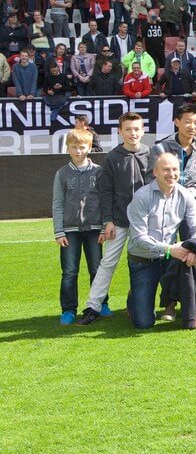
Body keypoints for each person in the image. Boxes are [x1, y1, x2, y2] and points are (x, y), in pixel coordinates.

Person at [77, 112, 152, 325]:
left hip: (146, 223)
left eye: (136, 129)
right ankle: (93, 306)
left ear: (143, 130)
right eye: (127, 129)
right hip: (119, 221)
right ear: (120, 132)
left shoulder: (152, 153)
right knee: (108, 262)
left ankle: (140, 302)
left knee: (147, 263)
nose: (132, 133)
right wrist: (108, 221)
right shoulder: (112, 157)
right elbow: (106, 192)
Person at [124, 153, 196, 330]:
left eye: (174, 169)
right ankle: (135, 295)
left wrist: (195, 249)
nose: (171, 174)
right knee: (144, 323)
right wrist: (171, 249)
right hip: (143, 261)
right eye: (166, 170)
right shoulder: (141, 197)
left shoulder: (185, 195)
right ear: (155, 172)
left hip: (170, 257)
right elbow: (139, 238)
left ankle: (192, 315)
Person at [149, 104, 196, 323]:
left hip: (190, 210)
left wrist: (185, 193)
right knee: (168, 255)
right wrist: (174, 191)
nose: (192, 127)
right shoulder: (160, 149)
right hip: (164, 208)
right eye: (187, 121)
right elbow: (152, 178)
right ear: (177, 122)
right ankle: (169, 303)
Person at [52, 127, 103, 325]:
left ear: (89, 147)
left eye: (82, 147)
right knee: (70, 272)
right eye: (74, 147)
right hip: (70, 231)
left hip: (94, 229)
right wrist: (59, 231)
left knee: (97, 269)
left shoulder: (98, 172)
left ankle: (100, 303)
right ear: (68, 148)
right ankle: (68, 309)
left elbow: (105, 200)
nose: (78, 151)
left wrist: (105, 225)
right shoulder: (62, 174)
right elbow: (57, 203)